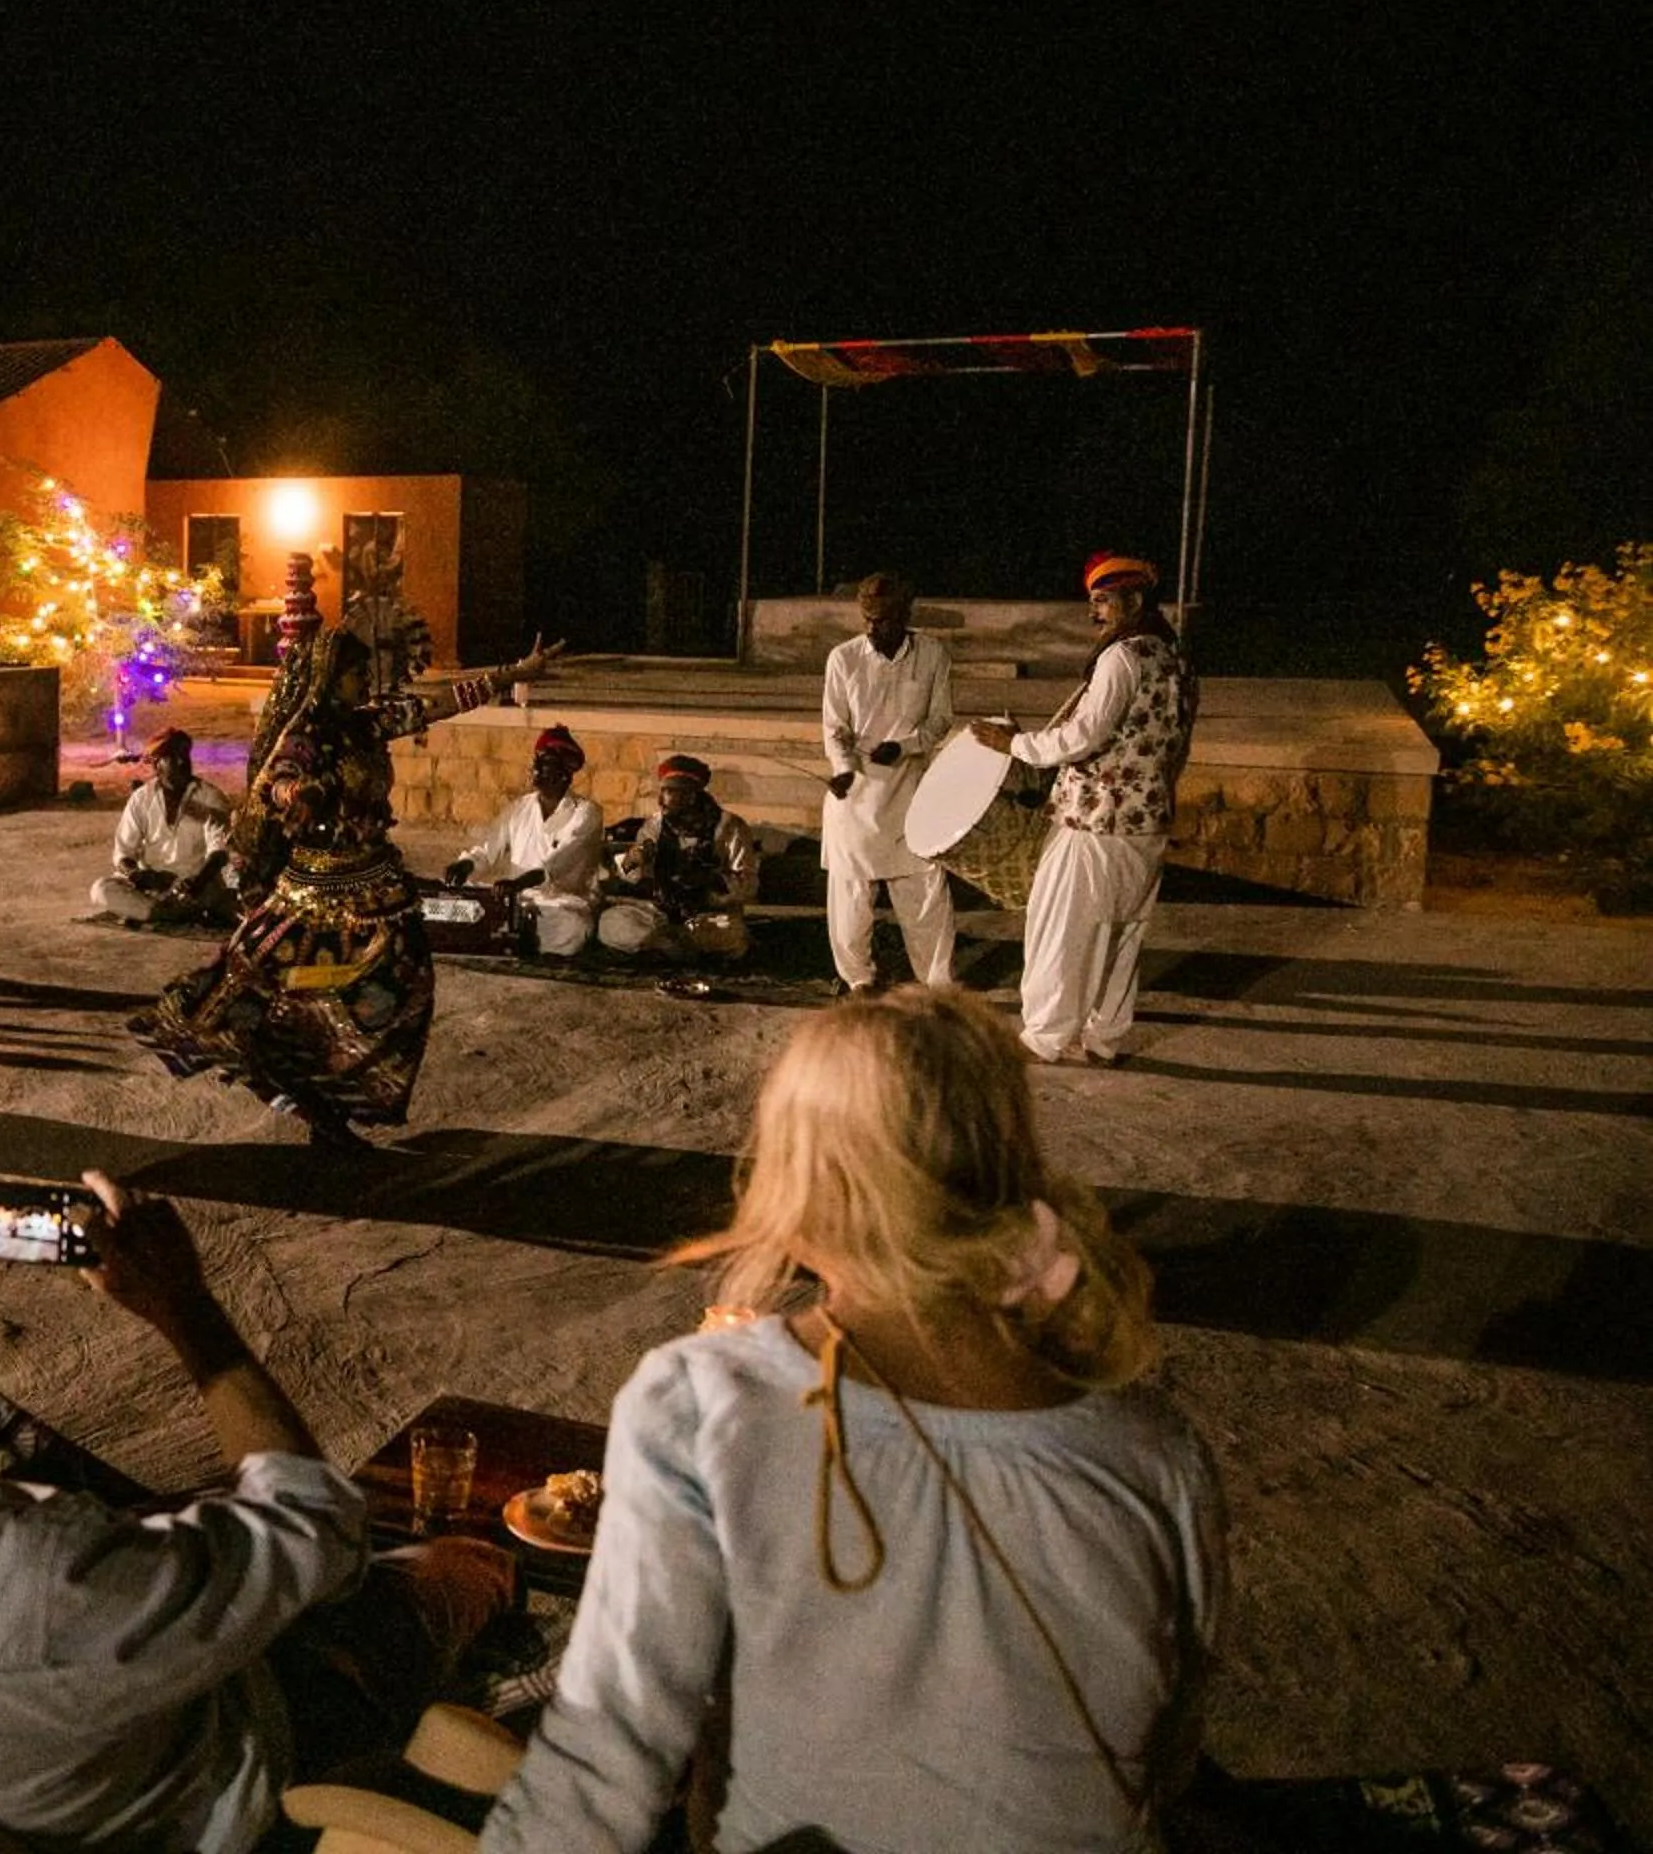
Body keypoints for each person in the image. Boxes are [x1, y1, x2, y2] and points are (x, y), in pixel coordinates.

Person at [478, 987, 1222, 1852]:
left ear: (802, 1181)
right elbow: (1167, 1762)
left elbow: (606, 1756)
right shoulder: (1158, 1454)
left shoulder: (705, 1401)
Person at [0, 1161, 510, 1854]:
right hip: (239, 1755)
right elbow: (313, 1520)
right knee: (444, 1573)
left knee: (176, 1515)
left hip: (15, 1719)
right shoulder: (43, 1587)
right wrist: (185, 1308)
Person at [132, 555, 558, 1149]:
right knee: (279, 1000)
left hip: (379, 888)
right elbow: (275, 781)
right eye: (358, 678)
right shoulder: (307, 736)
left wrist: (515, 670)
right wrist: (296, 790)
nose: (368, 687)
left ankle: (344, 1103)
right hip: (314, 896)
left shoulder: (366, 724)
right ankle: (323, 1115)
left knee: (403, 989)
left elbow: (437, 703)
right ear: (332, 678)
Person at [969, 553, 1198, 1067]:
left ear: (1134, 601)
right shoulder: (1175, 659)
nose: (1094, 613)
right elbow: (1174, 745)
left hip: (1096, 821)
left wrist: (1017, 746)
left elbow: (1084, 734)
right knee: (1121, 934)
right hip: (1147, 822)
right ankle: (1102, 1039)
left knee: (1062, 930)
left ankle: (1044, 1038)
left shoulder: (1123, 659)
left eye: (1103, 601)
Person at [821, 571, 959, 996]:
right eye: (867, 619)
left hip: (910, 790)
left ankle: (936, 984)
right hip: (855, 795)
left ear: (904, 615)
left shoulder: (933, 654)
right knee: (851, 896)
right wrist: (843, 769)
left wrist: (904, 746)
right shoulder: (842, 658)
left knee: (925, 892)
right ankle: (858, 978)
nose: (872, 629)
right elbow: (835, 727)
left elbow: (940, 721)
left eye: (881, 620)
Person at [442, 724, 605, 957]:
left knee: (574, 928)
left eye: (545, 764)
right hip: (514, 901)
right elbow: (487, 850)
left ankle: (499, 933)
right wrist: (465, 864)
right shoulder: (519, 808)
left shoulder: (587, 812)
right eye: (536, 763)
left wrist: (518, 883)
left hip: (560, 904)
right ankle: (508, 932)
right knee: (461, 897)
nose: (535, 769)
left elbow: (558, 864)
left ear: (564, 774)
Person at [595, 754, 761, 963]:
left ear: (693, 796)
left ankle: (671, 946)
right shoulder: (654, 826)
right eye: (663, 792)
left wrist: (711, 880)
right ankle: (666, 944)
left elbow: (749, 885)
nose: (665, 801)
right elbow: (629, 875)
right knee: (610, 923)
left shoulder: (730, 827)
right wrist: (635, 858)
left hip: (706, 913)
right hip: (660, 912)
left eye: (674, 793)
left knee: (730, 931)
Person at [90, 727, 238, 926]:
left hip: (193, 883)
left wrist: (195, 884)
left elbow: (219, 852)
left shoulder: (211, 797)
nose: (181, 762)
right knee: (100, 888)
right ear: (157, 764)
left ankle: (156, 912)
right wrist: (138, 875)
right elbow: (123, 852)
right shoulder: (141, 798)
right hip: (152, 884)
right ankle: (168, 913)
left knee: (214, 894)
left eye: (184, 755)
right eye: (173, 757)